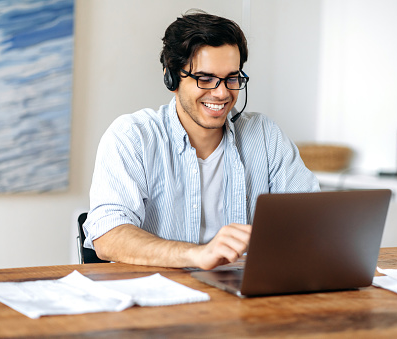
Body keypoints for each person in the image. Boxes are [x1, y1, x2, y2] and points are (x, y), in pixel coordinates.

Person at [83, 10, 319, 270]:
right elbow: (107, 236)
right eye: (205, 78)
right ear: (171, 77)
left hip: (247, 296)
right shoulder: (132, 137)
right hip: (163, 296)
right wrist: (196, 255)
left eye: (232, 78)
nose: (221, 93)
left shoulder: (264, 136)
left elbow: (312, 221)